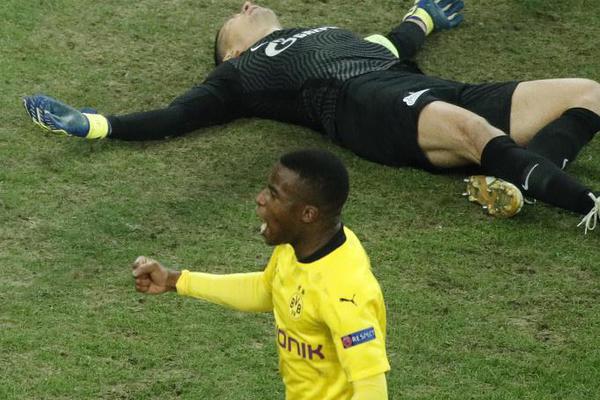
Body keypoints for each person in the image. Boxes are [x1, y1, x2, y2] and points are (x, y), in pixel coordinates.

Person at [23, 0, 600, 232]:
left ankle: (521, 177)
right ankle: (583, 202)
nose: (247, 4)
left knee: (588, 92)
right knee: (474, 132)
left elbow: (388, 44)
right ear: (231, 48)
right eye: (235, 15)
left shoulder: (315, 32)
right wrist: (96, 124)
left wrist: (422, 17)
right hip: (364, 106)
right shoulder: (239, 74)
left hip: (420, 85)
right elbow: (177, 116)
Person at [131, 149, 390, 400]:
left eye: (274, 195)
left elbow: (373, 391)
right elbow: (266, 290)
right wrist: (175, 280)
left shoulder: (346, 293)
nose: (260, 198)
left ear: (307, 214)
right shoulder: (297, 246)